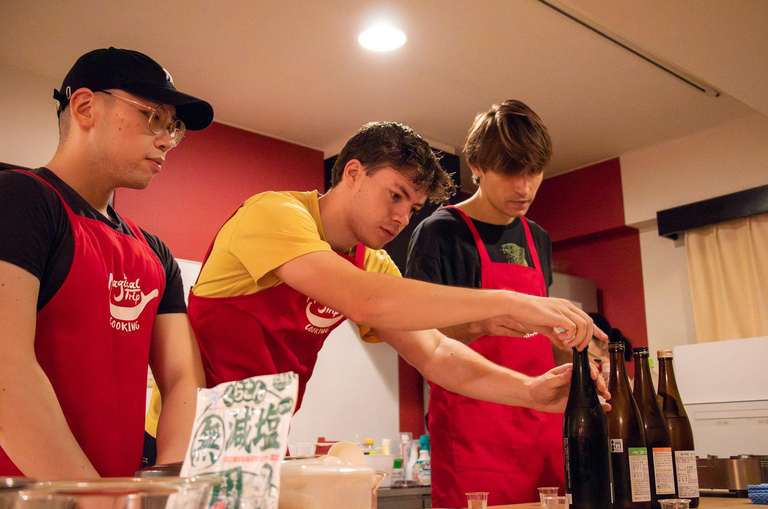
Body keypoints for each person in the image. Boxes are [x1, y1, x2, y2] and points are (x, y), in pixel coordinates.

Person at [146, 121, 607, 439]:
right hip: (182, 432)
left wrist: (528, 391)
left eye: (412, 207)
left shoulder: (374, 261)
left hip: (257, 437)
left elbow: (438, 354)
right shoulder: (275, 212)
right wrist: (508, 302)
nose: (402, 217)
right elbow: (366, 300)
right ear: (352, 173)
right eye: (395, 196)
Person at [0, 47, 212, 478]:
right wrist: (97, 501)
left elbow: (182, 382)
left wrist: (167, 492)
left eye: (174, 127)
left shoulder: (155, 252)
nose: (167, 139)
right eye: (154, 116)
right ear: (84, 106)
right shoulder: (21, 200)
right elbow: (6, 368)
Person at [404, 100, 563, 507]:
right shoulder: (440, 232)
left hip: (543, 425)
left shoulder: (538, 238)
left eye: (534, 172)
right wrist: (483, 322)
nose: (524, 188)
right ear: (477, 165)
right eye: (511, 172)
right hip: (473, 430)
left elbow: (540, 336)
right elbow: (420, 338)